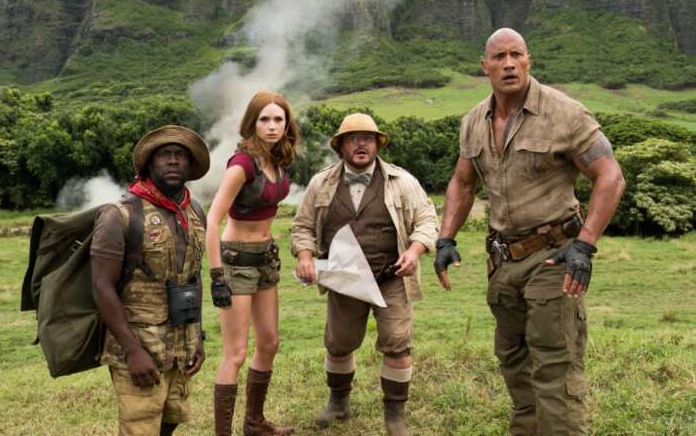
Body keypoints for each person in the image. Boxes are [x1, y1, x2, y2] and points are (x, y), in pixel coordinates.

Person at [435, 28, 626, 435]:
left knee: (554, 365)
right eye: (499, 57)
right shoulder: (473, 121)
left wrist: (584, 245)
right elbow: (463, 183)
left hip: (554, 257)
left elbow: (610, 177)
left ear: (528, 60)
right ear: (484, 66)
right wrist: (445, 238)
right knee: (514, 362)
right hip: (503, 262)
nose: (508, 64)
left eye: (516, 55)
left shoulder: (566, 113)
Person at [291, 113, 439, 436]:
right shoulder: (320, 183)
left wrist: (415, 252)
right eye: (353, 138)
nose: (361, 144)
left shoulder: (402, 181)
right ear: (340, 146)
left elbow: (427, 220)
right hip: (344, 279)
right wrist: (304, 256)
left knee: (397, 343)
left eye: (368, 138)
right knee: (339, 343)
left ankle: (395, 416)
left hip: (392, 278)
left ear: (377, 144)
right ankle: (338, 404)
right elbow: (302, 226)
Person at [91, 124, 211, 436]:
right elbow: (102, 286)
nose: (173, 161)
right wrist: (132, 350)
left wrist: (197, 336)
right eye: (164, 155)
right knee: (140, 427)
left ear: (190, 165)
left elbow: (194, 275)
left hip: (182, 345)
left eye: (181, 155)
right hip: (140, 346)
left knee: (172, 419)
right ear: (148, 164)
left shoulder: (195, 212)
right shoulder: (120, 215)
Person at [206, 91, 300, 436]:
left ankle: (255, 423)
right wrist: (217, 275)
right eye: (264, 119)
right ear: (253, 123)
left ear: (287, 124)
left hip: (265, 259)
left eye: (278, 119)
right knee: (235, 352)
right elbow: (212, 221)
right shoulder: (241, 165)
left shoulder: (280, 161)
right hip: (237, 262)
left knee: (270, 343)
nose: (272, 126)